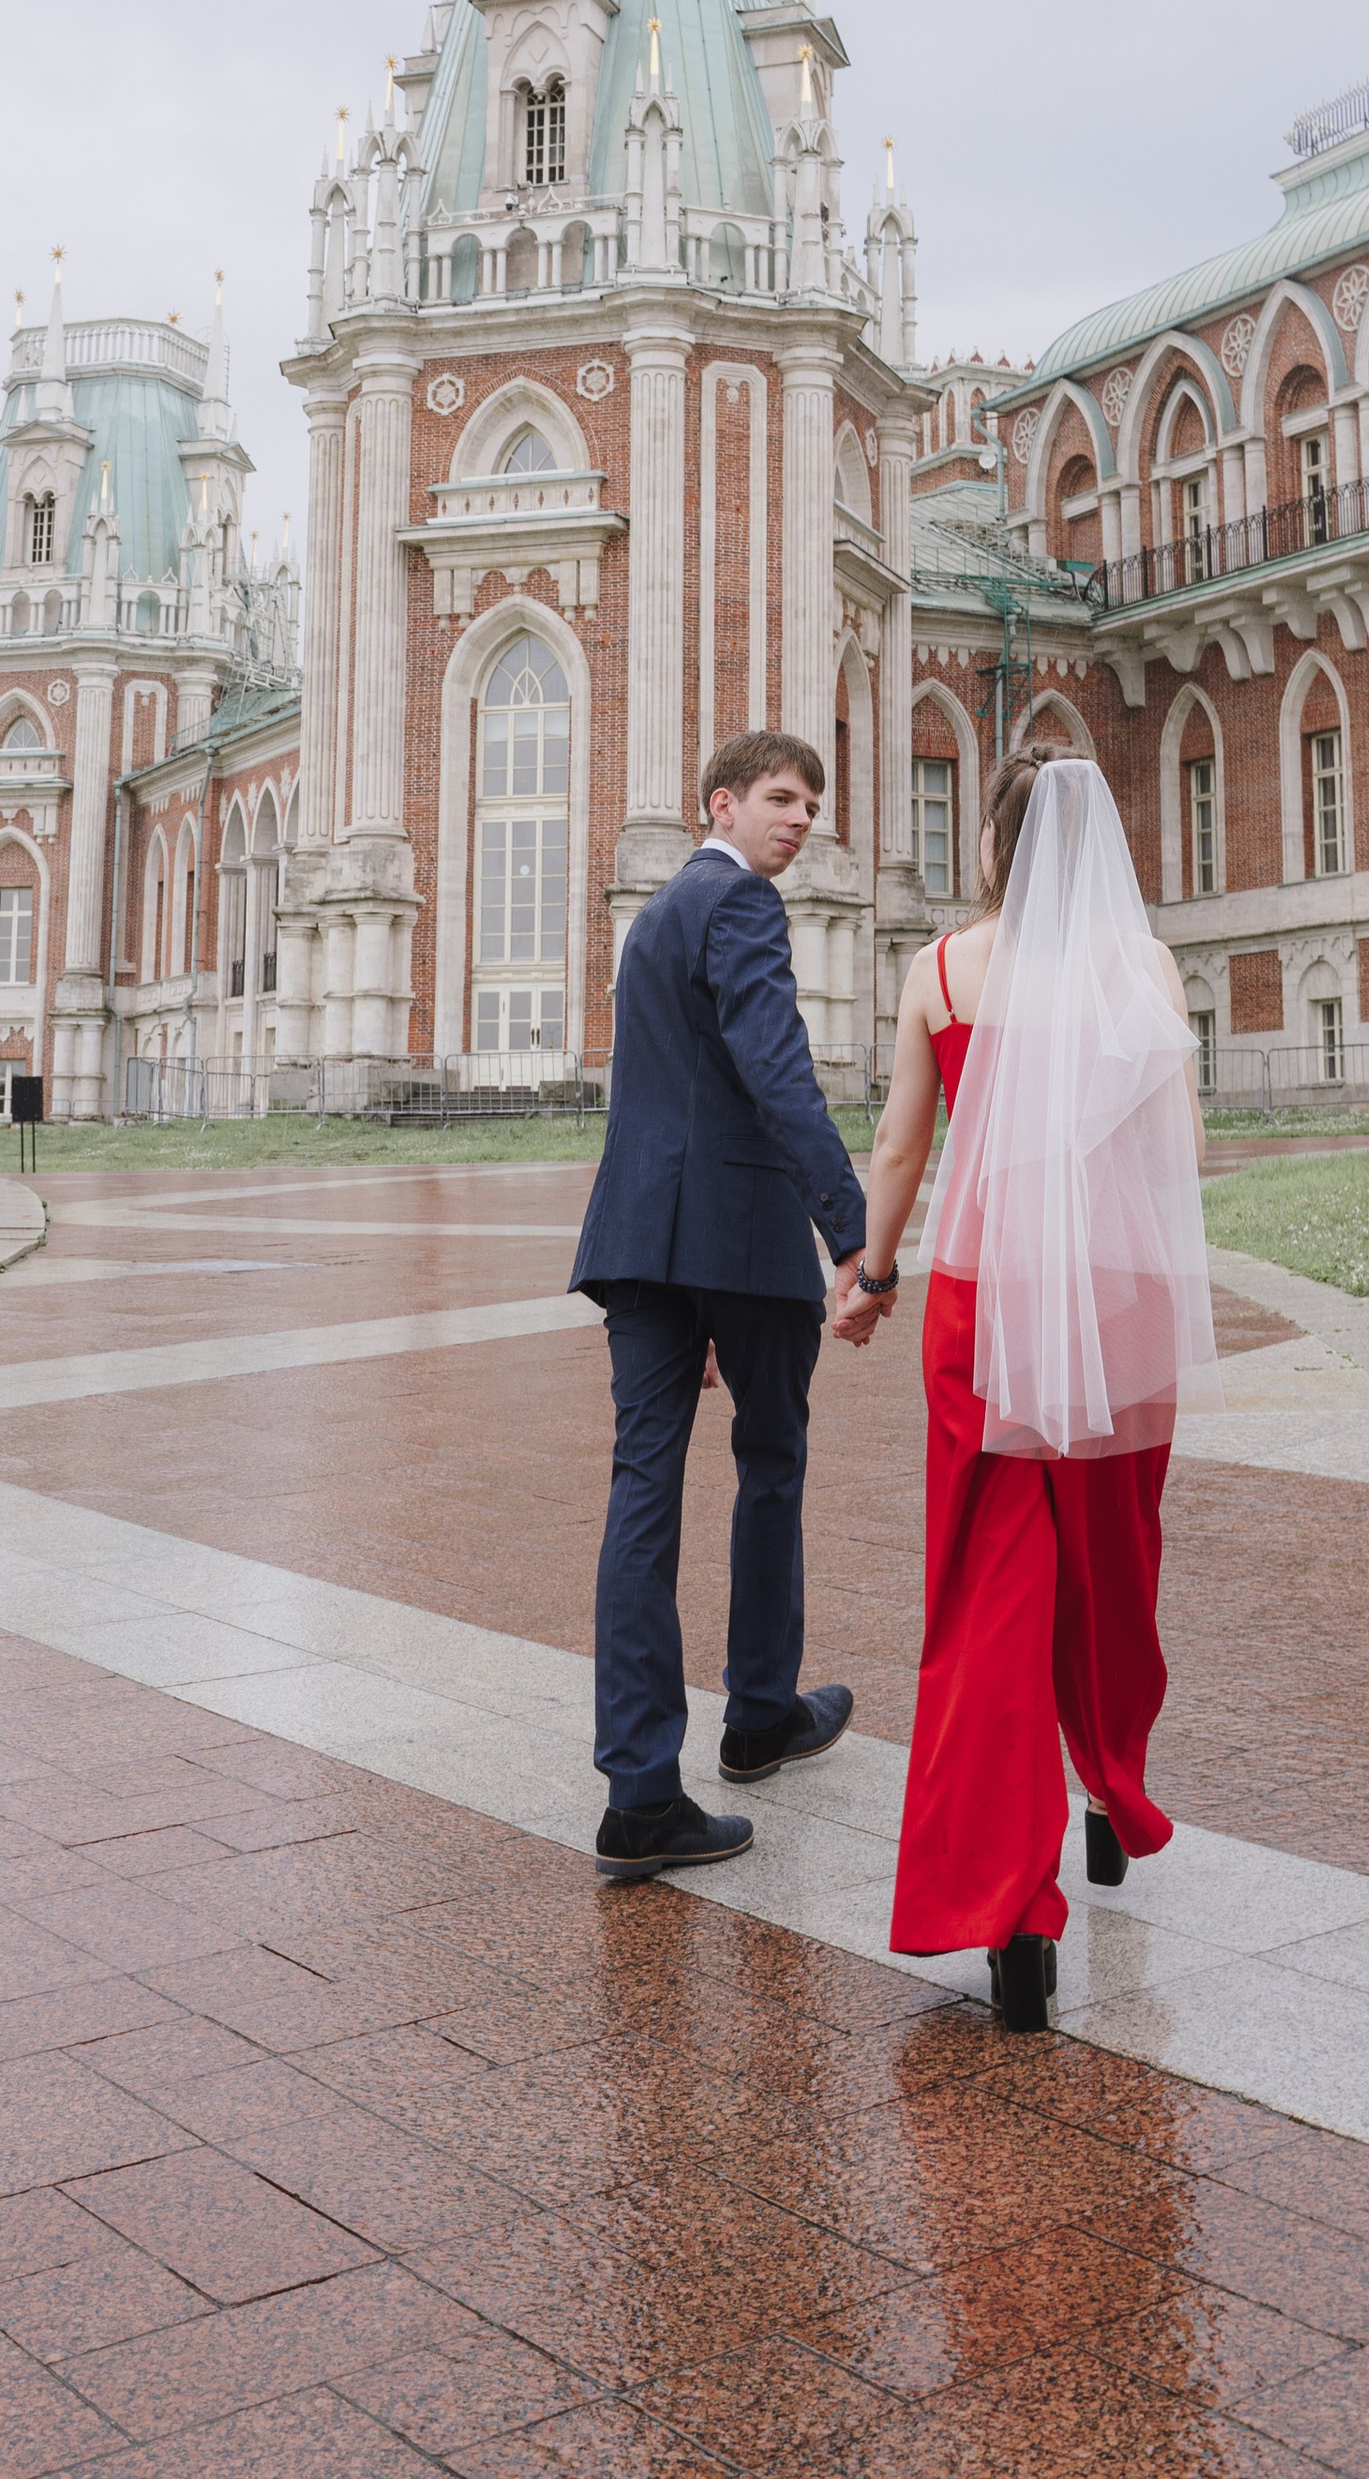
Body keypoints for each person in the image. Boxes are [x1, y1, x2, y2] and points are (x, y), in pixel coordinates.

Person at [834, 752, 1220, 2031]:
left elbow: (900, 1143)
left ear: (994, 849)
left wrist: (871, 1272)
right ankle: (1111, 1789)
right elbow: (1189, 1149)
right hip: (1113, 1302)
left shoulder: (942, 970)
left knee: (989, 1588)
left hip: (985, 1302)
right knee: (1115, 1560)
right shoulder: (1147, 970)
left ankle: (1008, 1918)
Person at [570, 729, 872, 1885]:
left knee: (642, 1487)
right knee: (771, 1461)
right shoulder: (740, 907)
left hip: (642, 1239)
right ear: (723, 804)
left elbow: (654, 1085)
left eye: (810, 805)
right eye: (781, 800)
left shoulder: (652, 917)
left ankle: (640, 1793)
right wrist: (849, 1230)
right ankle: (755, 1716)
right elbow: (775, 1068)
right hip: (738, 1243)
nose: (798, 820)